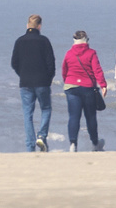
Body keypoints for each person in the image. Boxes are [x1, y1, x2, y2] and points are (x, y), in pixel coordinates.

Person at [11, 14, 56, 151]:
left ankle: (30, 145)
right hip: (42, 81)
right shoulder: (44, 41)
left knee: (27, 113)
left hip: (25, 82)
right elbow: (51, 64)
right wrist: (49, 79)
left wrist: (22, 74)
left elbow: (14, 63)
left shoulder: (19, 41)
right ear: (39, 26)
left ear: (27, 25)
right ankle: (41, 136)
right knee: (46, 109)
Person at [61, 30, 107, 152]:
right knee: (90, 117)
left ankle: (72, 144)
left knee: (74, 116)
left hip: (71, 87)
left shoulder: (69, 54)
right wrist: (103, 85)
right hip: (88, 88)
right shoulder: (91, 53)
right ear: (86, 40)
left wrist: (69, 81)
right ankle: (95, 143)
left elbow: (64, 71)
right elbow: (97, 70)